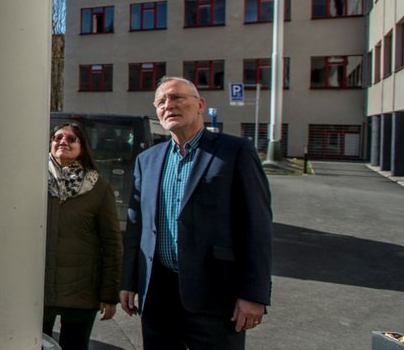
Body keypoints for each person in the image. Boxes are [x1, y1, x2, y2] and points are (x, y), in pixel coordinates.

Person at [119, 76, 272, 350]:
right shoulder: (148, 160)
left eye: (177, 97)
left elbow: (257, 227)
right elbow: (136, 227)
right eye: (161, 101)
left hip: (214, 295)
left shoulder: (234, 151)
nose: (169, 105)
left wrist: (254, 294)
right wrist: (129, 282)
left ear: (200, 105)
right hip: (158, 293)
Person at [43, 123, 123, 349]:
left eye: (71, 139)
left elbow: (112, 243)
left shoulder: (98, 187)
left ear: (82, 147)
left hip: (82, 294)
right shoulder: (32, 181)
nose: (63, 142)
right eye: (57, 137)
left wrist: (109, 294)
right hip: (39, 292)